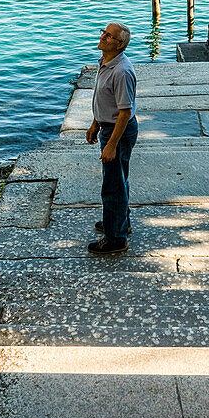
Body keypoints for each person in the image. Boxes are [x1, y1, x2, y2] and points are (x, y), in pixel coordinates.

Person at [86, 21, 138, 254]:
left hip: (118, 131)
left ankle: (115, 238)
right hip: (107, 126)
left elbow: (125, 112)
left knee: (113, 186)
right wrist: (95, 123)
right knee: (118, 180)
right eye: (103, 33)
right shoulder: (106, 62)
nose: (103, 37)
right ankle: (119, 223)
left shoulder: (121, 71)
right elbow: (105, 100)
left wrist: (111, 145)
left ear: (120, 45)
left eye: (109, 36)